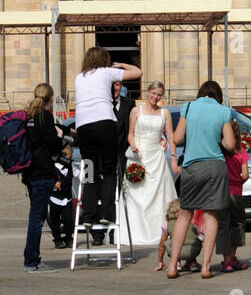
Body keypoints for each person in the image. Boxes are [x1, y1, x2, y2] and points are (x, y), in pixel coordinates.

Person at [166, 80, 235, 279]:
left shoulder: (188, 107)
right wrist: (218, 139)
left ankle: (172, 266)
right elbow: (230, 144)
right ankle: (205, 267)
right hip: (214, 166)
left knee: (185, 214)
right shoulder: (223, 111)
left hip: (192, 166)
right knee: (211, 214)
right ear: (217, 96)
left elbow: (177, 138)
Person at [75, 47, 141, 232]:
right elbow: (138, 72)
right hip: (104, 121)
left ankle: (88, 214)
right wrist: (120, 65)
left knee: (89, 168)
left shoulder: (79, 77)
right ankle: (106, 213)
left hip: (83, 125)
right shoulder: (106, 72)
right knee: (109, 169)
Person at [122, 80, 179, 246]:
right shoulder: (136, 111)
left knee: (159, 195)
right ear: (147, 92)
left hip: (157, 157)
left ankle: (159, 231)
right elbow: (130, 133)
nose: (155, 97)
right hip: (139, 156)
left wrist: (173, 157)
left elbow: (170, 137)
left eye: (159, 95)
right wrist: (133, 145)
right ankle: (137, 231)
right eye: (153, 93)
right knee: (137, 194)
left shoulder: (164, 113)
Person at [22, 83, 62, 272]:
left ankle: (33, 259)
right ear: (51, 99)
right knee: (37, 219)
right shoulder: (45, 116)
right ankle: (31, 261)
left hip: (29, 172)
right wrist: (59, 135)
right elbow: (53, 145)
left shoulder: (28, 116)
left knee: (36, 216)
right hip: (42, 173)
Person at [220, 118, 250, 272]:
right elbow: (245, 175)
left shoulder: (220, 152)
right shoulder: (241, 151)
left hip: (221, 192)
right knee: (237, 224)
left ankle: (226, 260)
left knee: (223, 225)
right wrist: (237, 182)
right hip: (236, 192)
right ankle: (232, 257)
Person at [156, 198, 202, 272]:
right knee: (191, 239)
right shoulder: (192, 222)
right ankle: (192, 262)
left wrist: (160, 261)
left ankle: (176, 263)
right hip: (194, 251)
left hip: (176, 251)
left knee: (169, 242)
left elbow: (161, 246)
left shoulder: (167, 224)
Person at [48, 143, 75, 249]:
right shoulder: (52, 168)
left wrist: (88, 172)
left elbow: (80, 174)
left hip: (67, 198)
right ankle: (57, 239)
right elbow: (48, 180)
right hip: (55, 198)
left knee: (69, 219)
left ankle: (69, 237)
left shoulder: (70, 167)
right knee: (55, 221)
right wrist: (53, 185)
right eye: (68, 158)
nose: (69, 160)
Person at [112, 79, 135, 172]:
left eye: (117, 85)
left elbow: (136, 125)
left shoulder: (130, 103)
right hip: (107, 154)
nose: (114, 88)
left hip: (126, 151)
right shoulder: (101, 104)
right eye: (112, 85)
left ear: (121, 86)